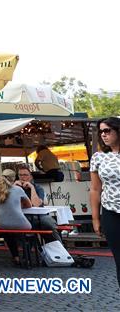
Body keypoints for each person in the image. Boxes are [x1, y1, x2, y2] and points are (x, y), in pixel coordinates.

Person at [90, 116, 120, 289]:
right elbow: (95, 189)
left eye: (107, 130)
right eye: (101, 131)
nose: (103, 135)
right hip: (110, 213)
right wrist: (95, 219)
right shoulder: (99, 157)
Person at [0, 168, 32, 266]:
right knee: (33, 227)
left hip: (2, 223)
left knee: (9, 233)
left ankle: (16, 257)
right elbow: (29, 205)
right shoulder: (18, 189)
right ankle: (26, 257)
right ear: (13, 179)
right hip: (20, 223)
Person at [16, 165, 61, 242]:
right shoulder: (15, 188)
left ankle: (59, 249)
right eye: (20, 175)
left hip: (39, 217)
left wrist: (32, 188)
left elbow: (36, 204)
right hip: (22, 218)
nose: (22, 177)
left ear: (30, 177)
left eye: (25, 175)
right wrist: (14, 187)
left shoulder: (37, 188)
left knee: (48, 224)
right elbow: (10, 203)